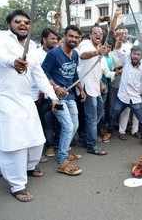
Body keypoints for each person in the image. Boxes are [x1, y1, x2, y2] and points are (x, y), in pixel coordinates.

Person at [0, 10, 59, 202]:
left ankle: (29, 167)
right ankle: (17, 185)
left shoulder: (31, 46)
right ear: (9, 24)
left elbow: (38, 73)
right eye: (18, 22)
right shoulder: (0, 38)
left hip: (25, 99)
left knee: (36, 139)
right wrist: (12, 62)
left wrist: (52, 95)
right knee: (14, 144)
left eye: (26, 22)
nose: (23, 25)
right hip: (4, 99)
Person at [42, 25, 86, 176]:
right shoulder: (54, 54)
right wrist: (55, 87)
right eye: (71, 36)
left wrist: (81, 88)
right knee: (67, 126)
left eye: (76, 37)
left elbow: (74, 75)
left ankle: (64, 151)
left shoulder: (75, 55)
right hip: (56, 97)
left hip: (70, 96)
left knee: (74, 125)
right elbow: (43, 73)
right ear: (65, 36)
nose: (73, 39)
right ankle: (62, 161)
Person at [77, 26, 121, 155]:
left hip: (96, 87)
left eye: (100, 34)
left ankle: (86, 136)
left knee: (100, 111)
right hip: (86, 87)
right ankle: (91, 145)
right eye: (95, 33)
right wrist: (97, 53)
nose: (98, 35)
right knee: (92, 117)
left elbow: (101, 70)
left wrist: (103, 81)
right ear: (90, 35)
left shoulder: (99, 48)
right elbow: (83, 56)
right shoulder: (85, 44)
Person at [112, 32, 142, 147]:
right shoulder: (126, 62)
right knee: (113, 114)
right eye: (134, 54)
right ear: (131, 54)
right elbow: (117, 51)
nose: (135, 56)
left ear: (141, 57)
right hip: (123, 96)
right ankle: (118, 132)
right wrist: (118, 40)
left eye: (138, 54)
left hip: (135, 98)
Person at [34, 28, 60, 160]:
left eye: (57, 39)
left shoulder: (58, 53)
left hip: (59, 95)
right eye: (52, 38)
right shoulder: (36, 54)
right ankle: (49, 146)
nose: (55, 41)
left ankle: (60, 146)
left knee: (59, 120)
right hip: (42, 96)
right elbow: (38, 76)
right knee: (47, 120)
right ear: (44, 40)